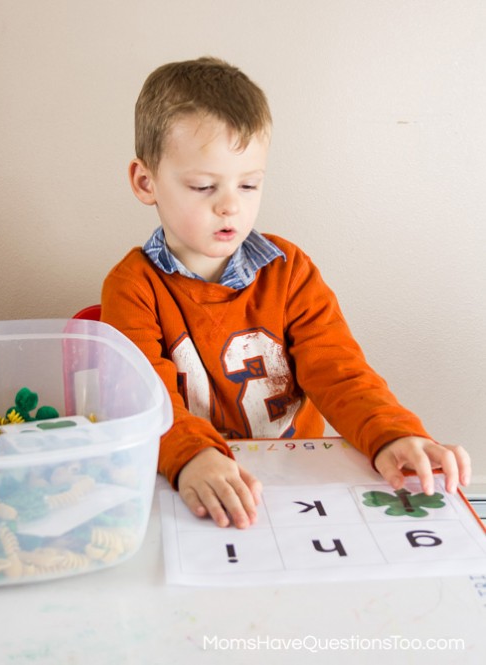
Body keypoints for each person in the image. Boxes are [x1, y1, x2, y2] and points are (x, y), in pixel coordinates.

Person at [101, 57, 470, 529]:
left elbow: (341, 373)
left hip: (292, 488)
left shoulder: (288, 271)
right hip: (188, 488)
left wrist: (391, 435)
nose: (231, 203)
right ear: (145, 181)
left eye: (249, 183)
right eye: (203, 185)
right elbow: (143, 398)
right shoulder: (132, 287)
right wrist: (192, 456)